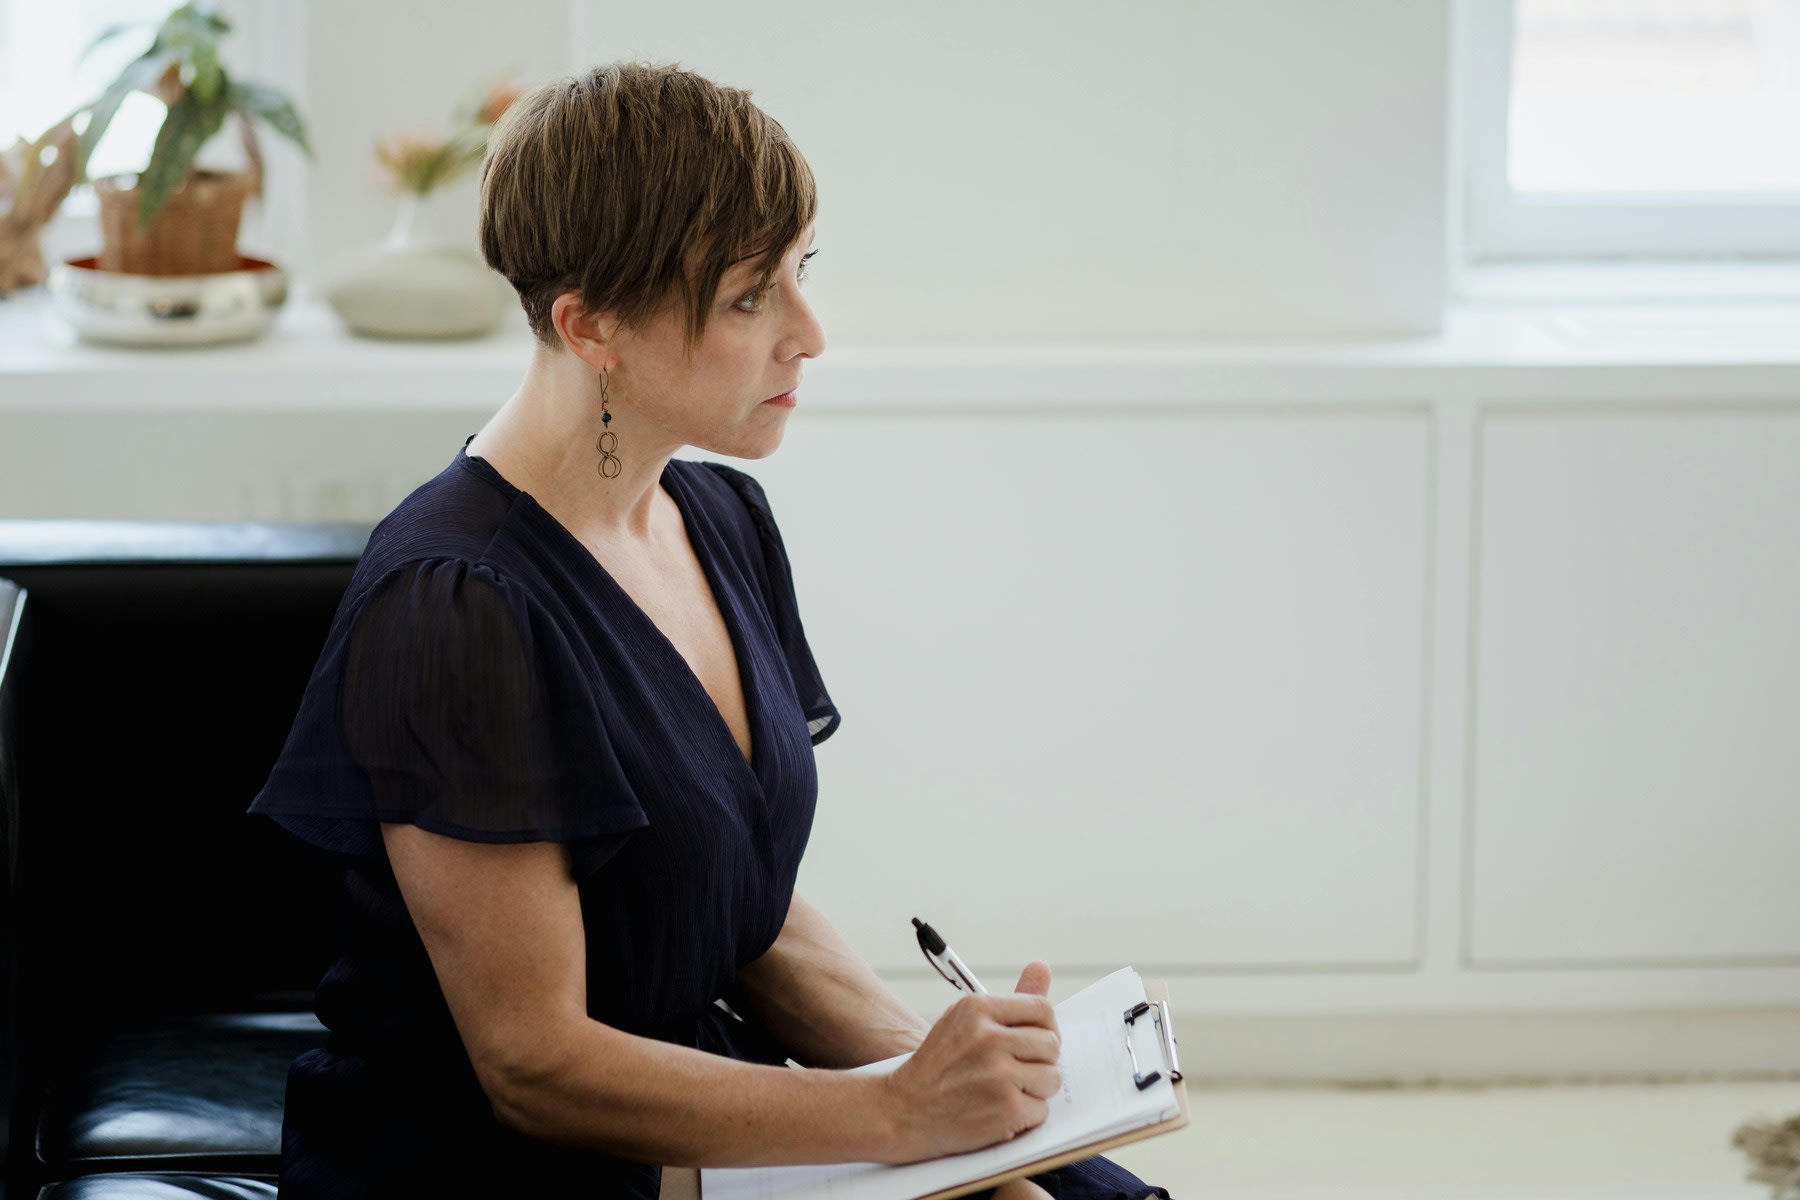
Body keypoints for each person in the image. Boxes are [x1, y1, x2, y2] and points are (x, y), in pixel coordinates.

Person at [249, 61, 1172, 1200]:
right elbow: (532, 1066)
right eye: (750, 298)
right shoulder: (456, 608)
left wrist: (974, 1097)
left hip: (697, 1101)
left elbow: (751, 917)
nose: (810, 334)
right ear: (594, 330)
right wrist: (896, 1109)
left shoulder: (720, 518)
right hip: (506, 1163)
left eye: (802, 273)